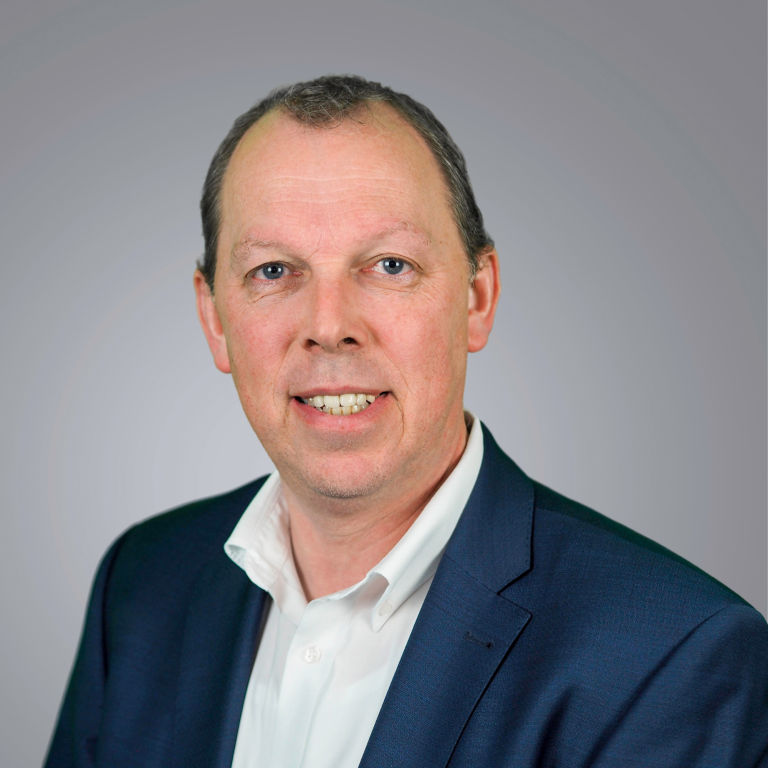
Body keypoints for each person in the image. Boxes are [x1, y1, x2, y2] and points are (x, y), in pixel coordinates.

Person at [45, 75, 768, 768]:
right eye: (274, 271)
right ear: (215, 320)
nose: (329, 326)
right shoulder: (140, 584)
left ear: (478, 298)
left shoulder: (672, 657)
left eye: (389, 265)